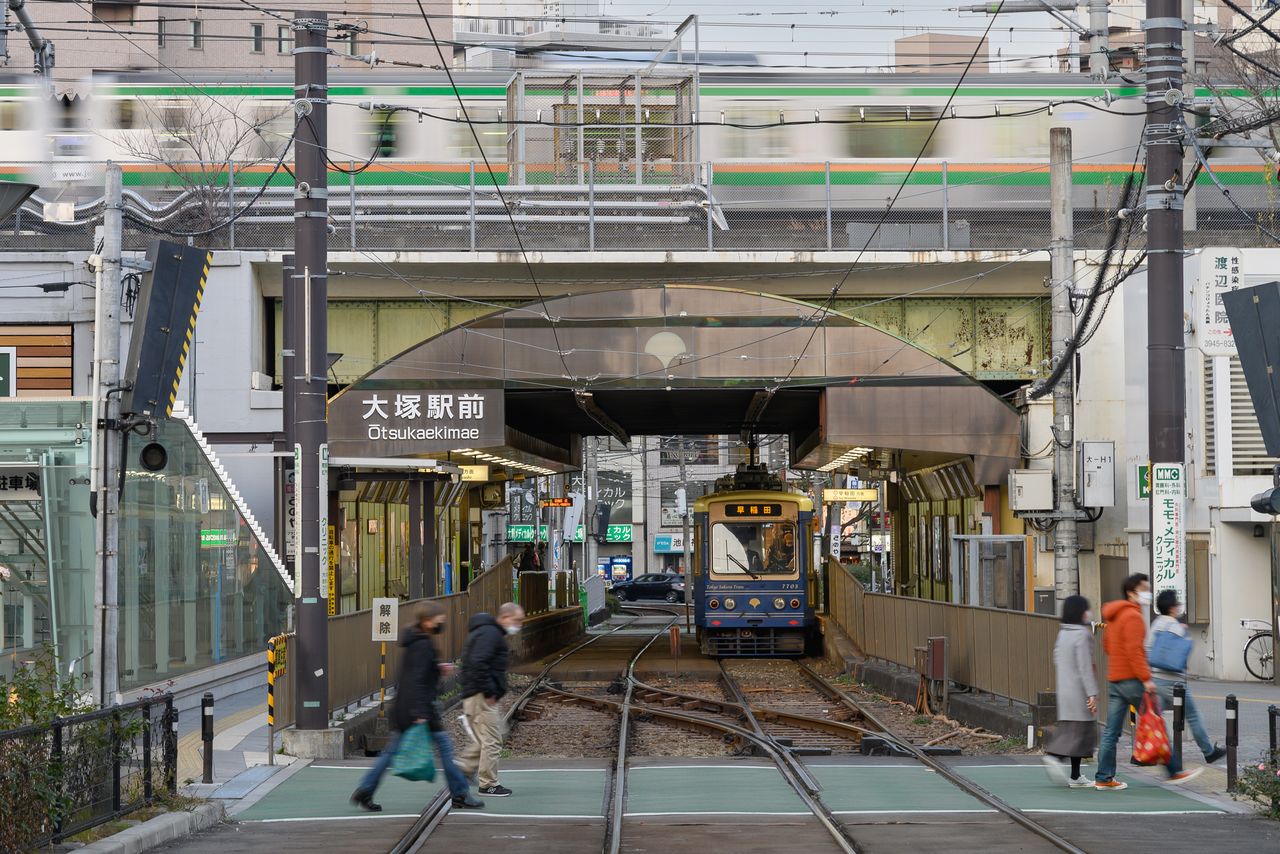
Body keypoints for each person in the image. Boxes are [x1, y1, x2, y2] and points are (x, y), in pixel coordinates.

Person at [350, 602, 483, 812]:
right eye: (439, 618)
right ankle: (460, 793)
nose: (442, 622)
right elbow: (417, 680)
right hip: (419, 709)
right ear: (428, 621)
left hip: (407, 707)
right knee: (446, 750)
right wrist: (420, 712)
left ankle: (365, 790)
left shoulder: (415, 641)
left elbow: (414, 674)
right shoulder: (422, 645)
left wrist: (436, 668)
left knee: (390, 753)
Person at [1094, 573, 1202, 790]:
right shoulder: (1133, 617)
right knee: (1156, 722)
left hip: (1115, 678)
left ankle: (1104, 778)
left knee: (1111, 732)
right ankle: (1173, 771)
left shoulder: (1113, 615)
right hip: (1132, 679)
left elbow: (1107, 646)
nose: (1147, 593)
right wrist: (1146, 679)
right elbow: (1135, 652)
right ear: (1131, 592)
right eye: (1144, 589)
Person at [1148, 589, 1227, 765]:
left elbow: (1148, 650)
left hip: (1155, 678)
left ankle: (1151, 752)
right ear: (1172, 608)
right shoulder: (1177, 627)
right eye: (1177, 604)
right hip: (1174, 681)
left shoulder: (1156, 624)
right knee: (1192, 715)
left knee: (1155, 718)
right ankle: (1208, 751)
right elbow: (1183, 653)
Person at [456, 602, 525, 798]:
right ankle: (488, 784)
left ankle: (464, 768)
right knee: (492, 740)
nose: (518, 625)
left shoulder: (488, 632)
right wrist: (489, 691)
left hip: (477, 693)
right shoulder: (491, 634)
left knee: (490, 736)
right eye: (516, 620)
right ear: (504, 617)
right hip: (481, 695)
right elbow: (479, 663)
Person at [1042, 595, 1099, 788]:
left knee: (1076, 731)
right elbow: (1085, 667)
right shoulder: (1082, 634)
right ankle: (1055, 757)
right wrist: (1092, 693)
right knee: (1078, 733)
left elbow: (1056, 658)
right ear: (1081, 612)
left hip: (1065, 689)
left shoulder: (1063, 633)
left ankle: (1076, 775)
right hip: (1079, 691)